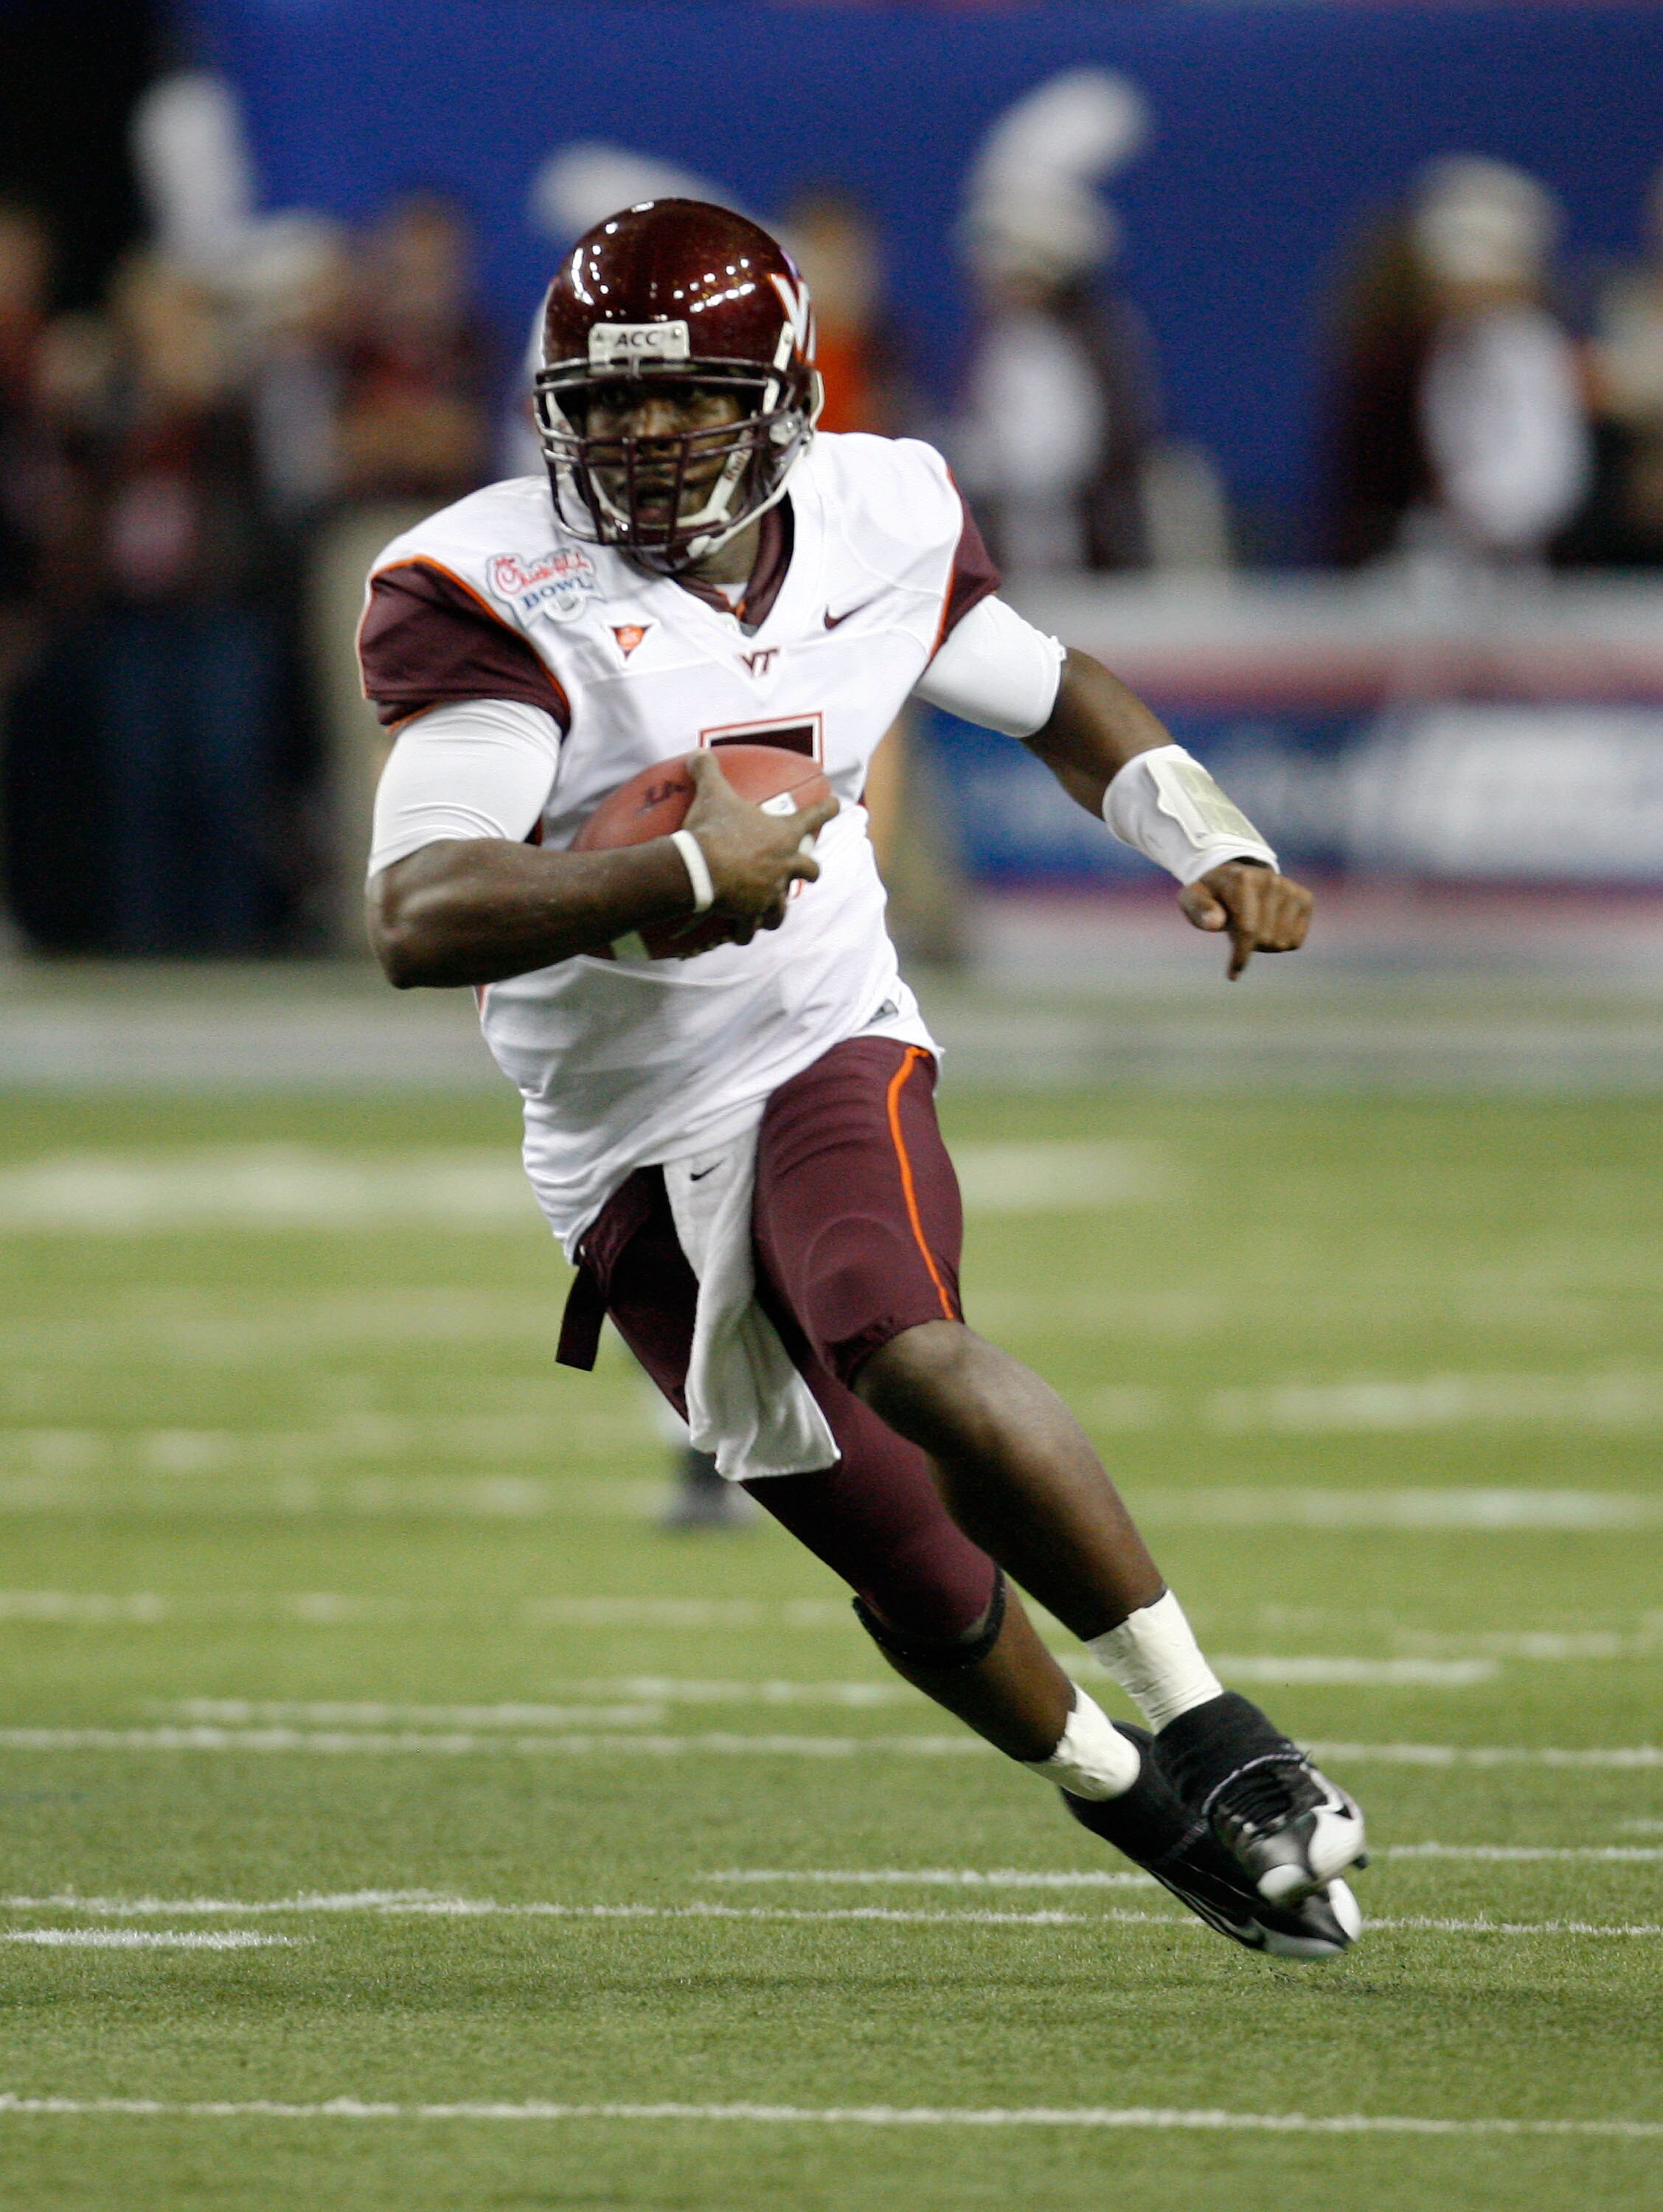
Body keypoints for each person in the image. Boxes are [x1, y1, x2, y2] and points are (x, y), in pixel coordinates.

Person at [359, 201, 1365, 1961]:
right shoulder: (490, 584)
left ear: (786, 399)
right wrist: (676, 875)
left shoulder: (878, 514)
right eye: (605, 410)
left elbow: (1052, 691)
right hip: (617, 1134)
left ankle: (1222, 1734)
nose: (645, 445)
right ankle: (1132, 1799)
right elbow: (419, 912)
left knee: (899, 1334)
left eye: (687, 408)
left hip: (827, 1031)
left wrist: (1203, 832)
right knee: (898, 1557)